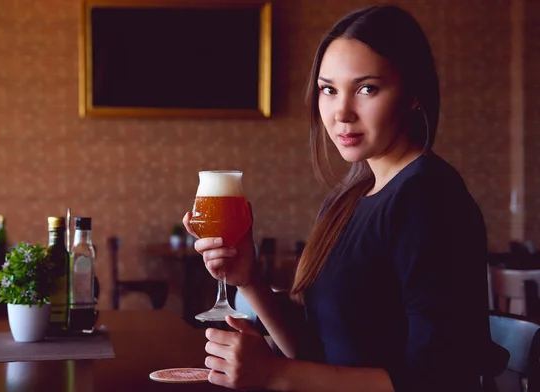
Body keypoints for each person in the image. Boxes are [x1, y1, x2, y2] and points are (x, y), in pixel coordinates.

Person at [183, 4, 493, 391]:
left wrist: (275, 374)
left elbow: (441, 379)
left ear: (413, 93)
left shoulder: (430, 198)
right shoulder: (348, 198)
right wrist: (250, 280)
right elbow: (315, 352)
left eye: (367, 89)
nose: (341, 113)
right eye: (328, 90)